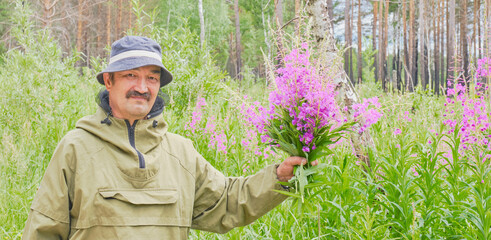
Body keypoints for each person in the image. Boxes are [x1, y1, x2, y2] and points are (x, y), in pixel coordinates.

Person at [22, 36, 316, 239]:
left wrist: (280, 177)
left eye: (152, 77)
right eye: (130, 76)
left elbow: (227, 203)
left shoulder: (180, 152)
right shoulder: (76, 148)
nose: (142, 86)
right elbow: (44, 230)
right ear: (108, 80)